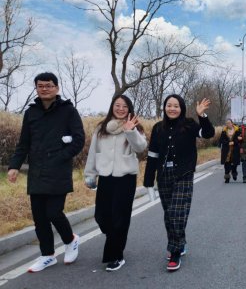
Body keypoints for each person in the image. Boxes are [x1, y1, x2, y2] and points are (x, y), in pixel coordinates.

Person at [7, 72, 84, 273]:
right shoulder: (31, 113)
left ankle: (71, 240)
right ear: (36, 88)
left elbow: (78, 140)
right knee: (39, 217)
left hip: (59, 170)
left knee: (53, 212)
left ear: (56, 88)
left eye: (48, 85)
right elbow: (23, 143)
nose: (44, 89)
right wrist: (14, 166)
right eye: (40, 86)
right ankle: (47, 255)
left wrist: (60, 157)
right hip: (37, 171)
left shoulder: (68, 111)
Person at [144, 95, 214, 272]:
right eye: (169, 105)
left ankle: (174, 252)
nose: (172, 108)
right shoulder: (158, 128)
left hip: (183, 174)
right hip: (164, 175)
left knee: (176, 213)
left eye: (176, 106)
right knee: (169, 215)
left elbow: (208, 134)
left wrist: (202, 116)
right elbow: (152, 155)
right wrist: (148, 181)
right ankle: (180, 243)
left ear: (181, 108)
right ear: (165, 108)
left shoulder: (189, 125)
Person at [84, 95, 147, 271]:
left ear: (129, 109)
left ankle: (116, 256)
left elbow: (141, 149)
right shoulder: (101, 128)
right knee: (101, 216)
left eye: (124, 106)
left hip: (125, 178)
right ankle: (114, 238)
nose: (120, 109)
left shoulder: (135, 127)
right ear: (112, 106)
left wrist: (130, 131)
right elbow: (93, 152)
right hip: (105, 176)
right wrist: (90, 174)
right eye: (117, 105)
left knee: (120, 218)